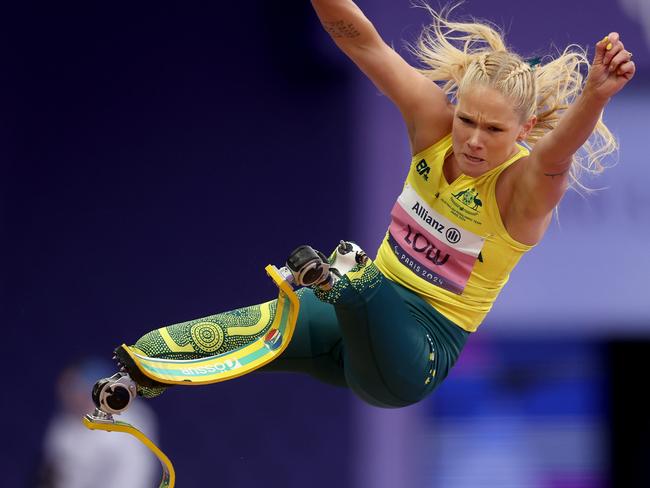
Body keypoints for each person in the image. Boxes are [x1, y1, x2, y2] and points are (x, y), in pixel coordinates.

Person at [122, 1, 635, 408]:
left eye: (495, 130)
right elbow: (362, 42)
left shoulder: (522, 190)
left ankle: (337, 278)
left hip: (412, 356)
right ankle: (136, 373)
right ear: (455, 106)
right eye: (468, 120)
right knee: (252, 328)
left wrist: (595, 95)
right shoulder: (433, 123)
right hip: (353, 324)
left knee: (354, 280)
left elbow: (556, 156)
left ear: (522, 131)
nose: (474, 140)